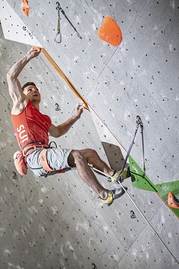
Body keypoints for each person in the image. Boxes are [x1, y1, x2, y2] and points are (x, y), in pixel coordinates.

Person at [7, 47, 128, 206]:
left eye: (36, 89)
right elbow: (11, 76)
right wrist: (29, 56)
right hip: (35, 157)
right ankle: (104, 195)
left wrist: (75, 117)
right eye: (30, 89)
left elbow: (57, 132)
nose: (35, 91)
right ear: (22, 94)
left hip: (42, 157)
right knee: (77, 156)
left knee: (89, 154)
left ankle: (113, 175)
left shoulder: (43, 119)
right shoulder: (21, 106)